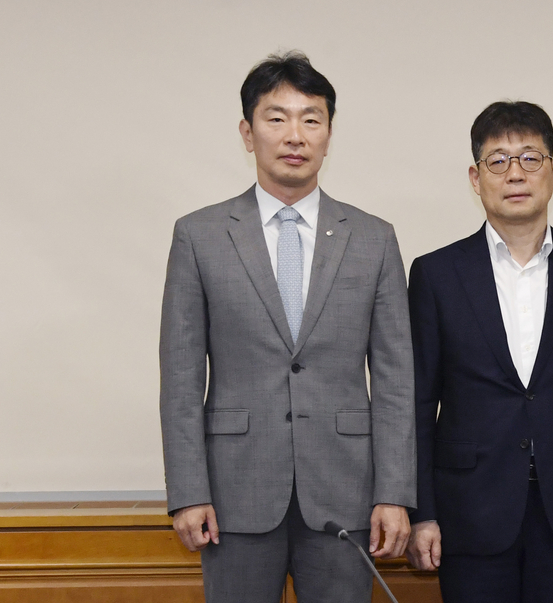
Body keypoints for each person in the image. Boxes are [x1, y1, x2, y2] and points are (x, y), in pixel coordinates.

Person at [159, 51, 415, 603]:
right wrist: (188, 491)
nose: (294, 135)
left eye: (311, 119)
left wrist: (394, 492)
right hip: (233, 494)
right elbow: (180, 378)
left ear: (328, 134)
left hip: (347, 491)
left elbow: (396, 379)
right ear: (247, 133)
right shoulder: (199, 236)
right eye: (276, 118)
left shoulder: (373, 238)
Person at [404, 101, 553, 602]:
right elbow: (416, 403)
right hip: (468, 510)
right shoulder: (436, 273)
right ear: (475, 178)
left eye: (530, 158)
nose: (515, 174)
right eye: (498, 161)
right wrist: (422, 512)